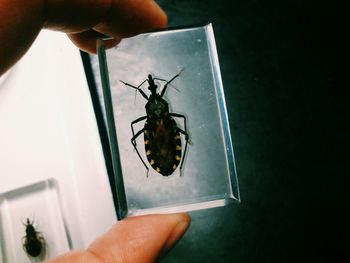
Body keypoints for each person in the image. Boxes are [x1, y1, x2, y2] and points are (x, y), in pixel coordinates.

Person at [0, 0, 191, 262]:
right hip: (164, 125)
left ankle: (152, 165)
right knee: (173, 135)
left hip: (154, 128)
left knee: (143, 139)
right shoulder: (162, 109)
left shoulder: (148, 113)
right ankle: (163, 164)